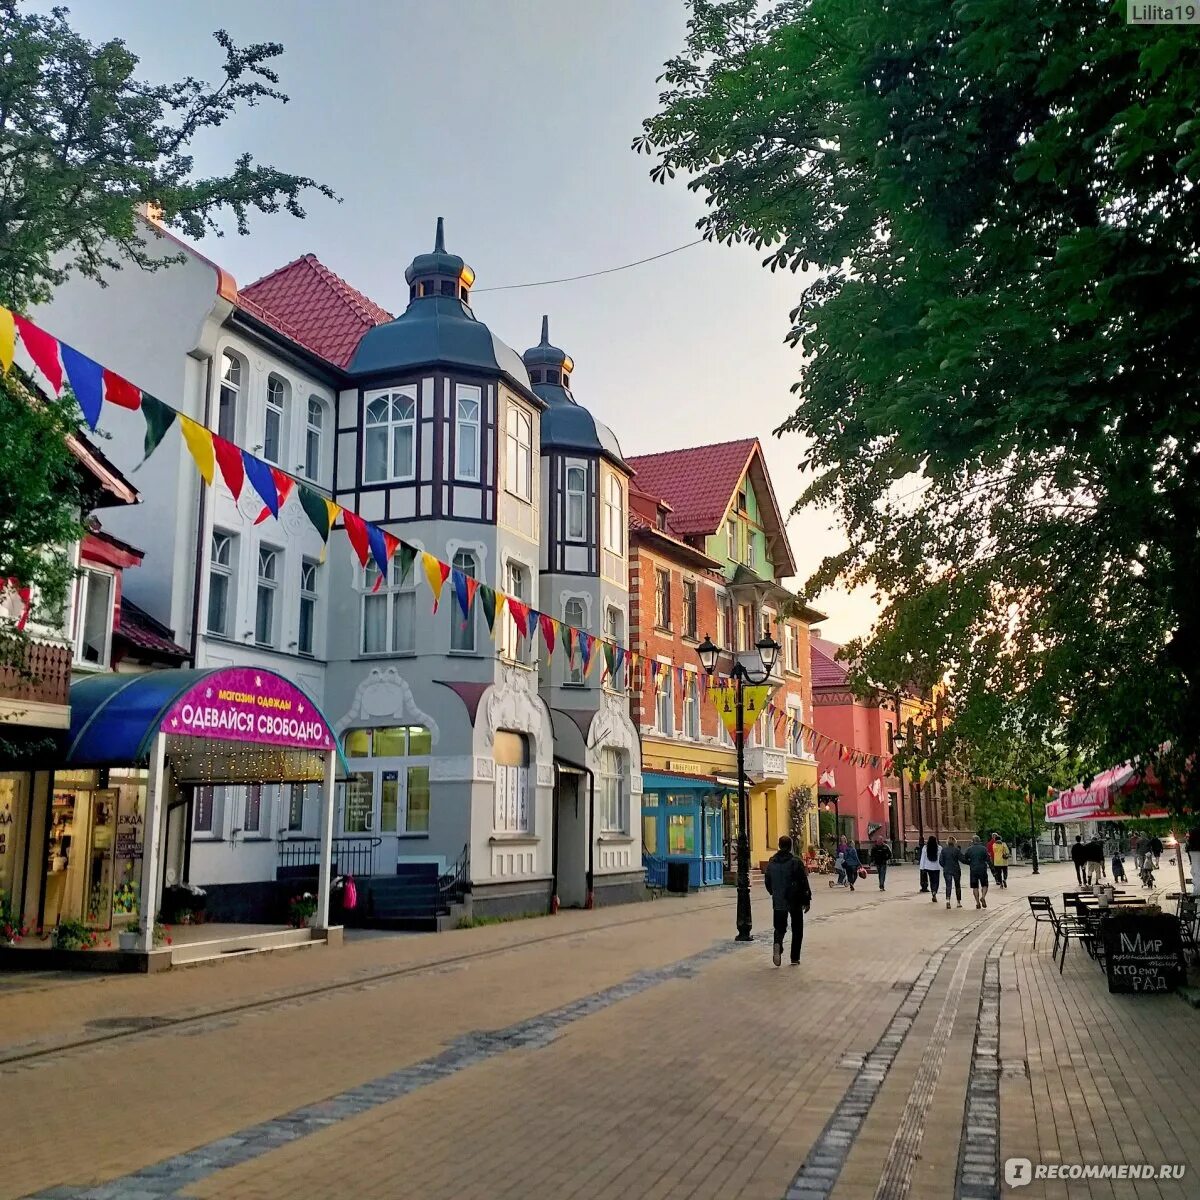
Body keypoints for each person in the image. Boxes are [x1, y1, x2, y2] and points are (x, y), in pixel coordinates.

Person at [764, 835, 812, 967]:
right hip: (794, 899)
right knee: (797, 928)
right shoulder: (795, 862)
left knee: (779, 927)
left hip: (778, 899)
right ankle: (794, 957)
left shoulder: (772, 862)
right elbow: (803, 882)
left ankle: (778, 943)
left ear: (779, 846)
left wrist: (773, 892)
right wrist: (807, 899)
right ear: (790, 846)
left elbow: (767, 881)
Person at [963, 835, 991, 909]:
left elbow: (965, 859)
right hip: (982, 869)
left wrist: (970, 863)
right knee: (985, 885)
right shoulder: (984, 849)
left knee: (975, 887)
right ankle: (983, 896)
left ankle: (977, 903)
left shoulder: (969, 849)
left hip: (973, 869)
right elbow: (988, 858)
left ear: (972, 841)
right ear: (979, 841)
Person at [939, 837, 963, 909]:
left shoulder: (943, 850)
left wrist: (945, 866)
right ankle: (958, 902)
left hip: (947, 870)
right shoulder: (957, 850)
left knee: (948, 885)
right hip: (956, 869)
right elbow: (962, 859)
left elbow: (940, 861)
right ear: (954, 842)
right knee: (957, 885)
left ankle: (948, 901)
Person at [918, 836, 941, 903]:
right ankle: (935, 891)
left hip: (928, 867)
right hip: (937, 867)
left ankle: (932, 891)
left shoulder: (925, 848)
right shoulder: (939, 848)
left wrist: (922, 867)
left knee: (931, 880)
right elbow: (940, 858)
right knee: (936, 881)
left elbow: (923, 858)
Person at [1187, 824, 1200, 896]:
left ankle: (1197, 891)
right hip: (1195, 851)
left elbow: (1190, 841)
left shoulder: (1194, 830)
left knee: (1196, 871)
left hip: (1195, 851)